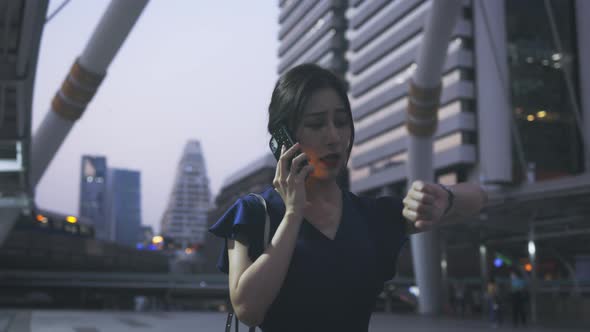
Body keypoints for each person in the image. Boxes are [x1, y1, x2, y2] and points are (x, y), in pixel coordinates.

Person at [209, 63, 488, 331]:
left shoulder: (371, 216)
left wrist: (444, 197)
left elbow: (478, 198)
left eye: (341, 122)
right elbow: (248, 309)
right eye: (317, 124)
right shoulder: (255, 213)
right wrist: (293, 213)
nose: (334, 136)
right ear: (284, 138)